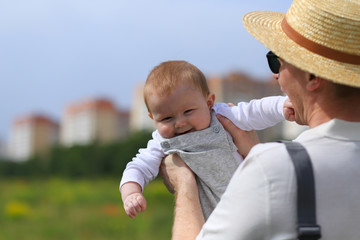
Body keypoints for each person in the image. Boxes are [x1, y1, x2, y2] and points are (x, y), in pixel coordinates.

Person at [160, 0, 360, 239]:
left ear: (312, 76)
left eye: (277, 60)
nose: (276, 76)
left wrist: (183, 183)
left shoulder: (275, 168)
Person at [120, 60, 294, 219]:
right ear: (152, 118)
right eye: (167, 119)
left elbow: (254, 111)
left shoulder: (221, 115)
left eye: (188, 112)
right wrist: (131, 192)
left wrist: (281, 106)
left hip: (250, 200)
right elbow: (138, 166)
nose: (180, 123)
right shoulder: (161, 142)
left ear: (209, 102)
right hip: (208, 217)